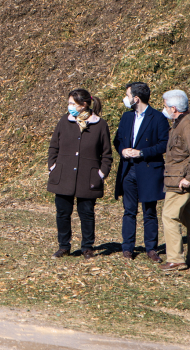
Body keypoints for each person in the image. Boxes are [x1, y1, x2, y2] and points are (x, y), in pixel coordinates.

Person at [47, 88, 112, 260]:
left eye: (72, 104)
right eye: (69, 103)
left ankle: (87, 247)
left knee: (87, 213)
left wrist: (101, 174)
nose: (69, 107)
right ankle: (63, 246)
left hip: (88, 177)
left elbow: (106, 154)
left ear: (84, 105)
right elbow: (54, 146)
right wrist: (52, 166)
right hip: (63, 175)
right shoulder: (64, 121)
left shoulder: (100, 124)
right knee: (62, 212)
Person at [113, 82, 168, 263]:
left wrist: (141, 152)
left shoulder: (158, 118)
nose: (126, 99)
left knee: (149, 212)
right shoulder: (127, 117)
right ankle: (127, 247)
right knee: (129, 211)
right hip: (129, 170)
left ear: (136, 98)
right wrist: (123, 150)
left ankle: (151, 248)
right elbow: (118, 139)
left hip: (149, 170)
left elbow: (163, 144)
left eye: (127, 95)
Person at [159, 89, 190, 271]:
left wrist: (188, 178)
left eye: (165, 106)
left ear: (173, 107)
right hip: (179, 179)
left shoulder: (188, 125)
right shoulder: (181, 123)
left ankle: (176, 259)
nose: (164, 109)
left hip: (181, 182)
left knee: (169, 216)